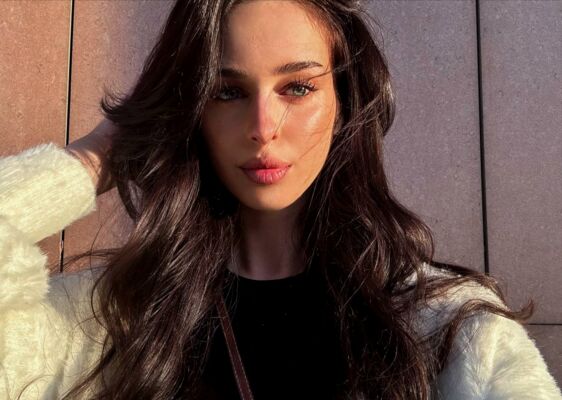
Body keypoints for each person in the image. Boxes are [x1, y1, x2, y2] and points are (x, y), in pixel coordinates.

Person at [0, 0, 560, 399]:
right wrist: (94, 156)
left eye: (298, 87)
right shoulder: (102, 322)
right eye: (226, 91)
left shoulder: (450, 330)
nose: (263, 126)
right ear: (190, 111)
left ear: (344, 101)